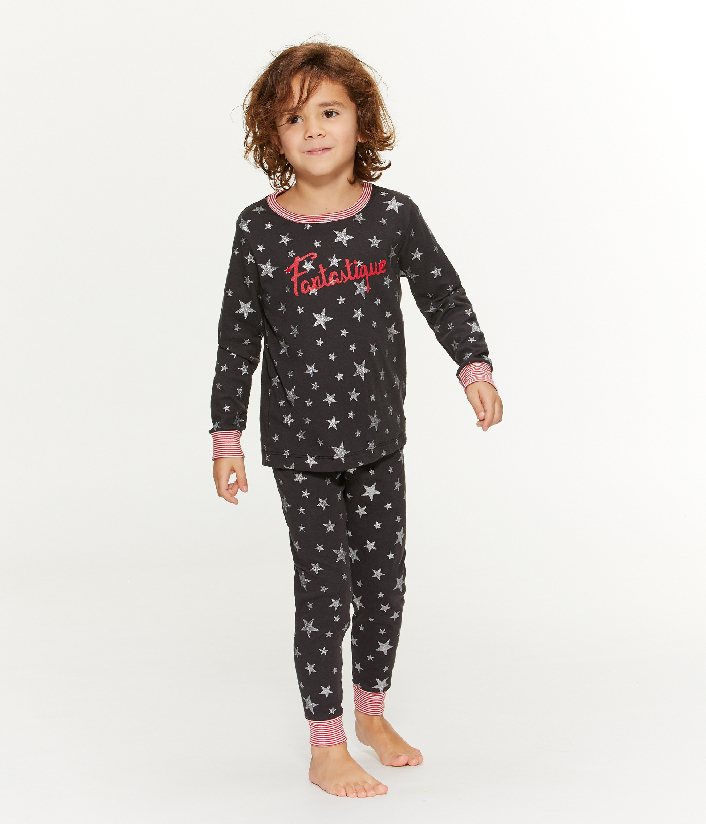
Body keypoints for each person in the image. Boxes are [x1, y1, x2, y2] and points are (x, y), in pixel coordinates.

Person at [209, 41, 503, 798]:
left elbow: (442, 293)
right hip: (299, 448)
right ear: (271, 136)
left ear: (361, 121)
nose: (312, 129)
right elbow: (237, 339)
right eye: (292, 118)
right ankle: (326, 741)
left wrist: (473, 367)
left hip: (377, 439)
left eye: (329, 111)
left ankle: (372, 712)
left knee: (383, 582)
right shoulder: (259, 230)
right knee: (325, 589)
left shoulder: (393, 217)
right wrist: (226, 436)